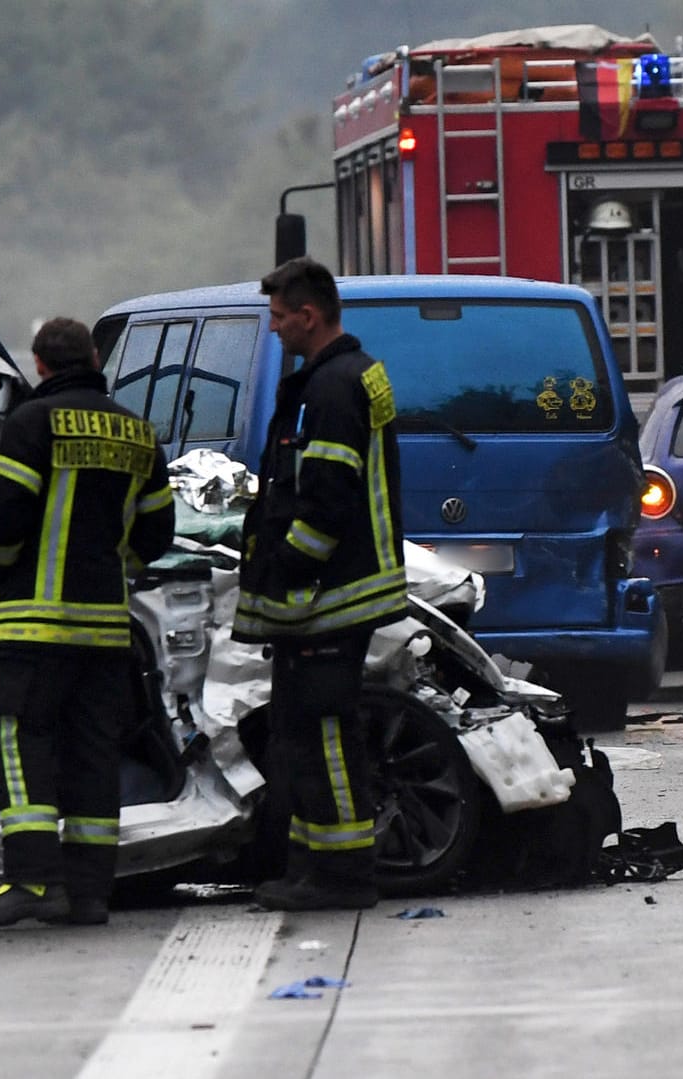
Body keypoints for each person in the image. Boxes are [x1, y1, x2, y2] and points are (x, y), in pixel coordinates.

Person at [0, 317, 176, 928]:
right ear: (94, 358)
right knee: (91, 754)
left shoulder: (31, 423)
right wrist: (115, 566)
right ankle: (88, 894)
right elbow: (158, 530)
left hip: (34, 624)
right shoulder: (137, 432)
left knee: (19, 741)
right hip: (105, 627)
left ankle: (30, 880)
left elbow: (3, 520)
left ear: (39, 365)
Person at [235, 257, 407, 912]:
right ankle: (311, 866)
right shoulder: (354, 374)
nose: (275, 330)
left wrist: (287, 570)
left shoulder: (333, 388)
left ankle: (342, 874)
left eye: (280, 318)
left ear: (308, 315)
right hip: (343, 591)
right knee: (303, 730)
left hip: (330, 595)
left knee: (326, 732)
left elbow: (325, 502)